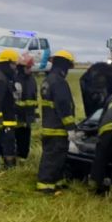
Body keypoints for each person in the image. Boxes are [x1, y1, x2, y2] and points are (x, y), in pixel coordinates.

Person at [36, 50, 76, 195]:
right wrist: (71, 127)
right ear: (66, 66)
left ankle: (56, 182)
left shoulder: (48, 80)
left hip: (49, 126)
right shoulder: (59, 82)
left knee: (55, 157)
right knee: (52, 158)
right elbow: (64, 106)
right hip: (57, 128)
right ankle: (45, 186)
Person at [89, 91, 112, 195]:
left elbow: (102, 115)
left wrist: (99, 134)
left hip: (105, 130)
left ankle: (93, 187)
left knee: (100, 159)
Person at [14, 53, 38, 160]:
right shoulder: (15, 80)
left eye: (31, 67)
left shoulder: (32, 80)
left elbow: (34, 98)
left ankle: (23, 158)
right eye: (28, 67)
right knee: (16, 140)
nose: (30, 69)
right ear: (21, 67)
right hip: (16, 118)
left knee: (25, 142)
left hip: (27, 118)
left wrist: (34, 114)